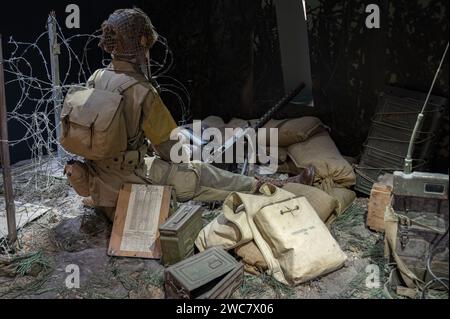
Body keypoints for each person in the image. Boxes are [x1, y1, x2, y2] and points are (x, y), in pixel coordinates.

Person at [70, 8, 314, 221]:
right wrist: (187, 154)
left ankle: (267, 187)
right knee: (199, 174)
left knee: (196, 173)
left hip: (102, 184)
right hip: (130, 185)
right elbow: (171, 149)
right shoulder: (142, 91)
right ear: (142, 41)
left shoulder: (97, 77)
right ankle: (272, 189)